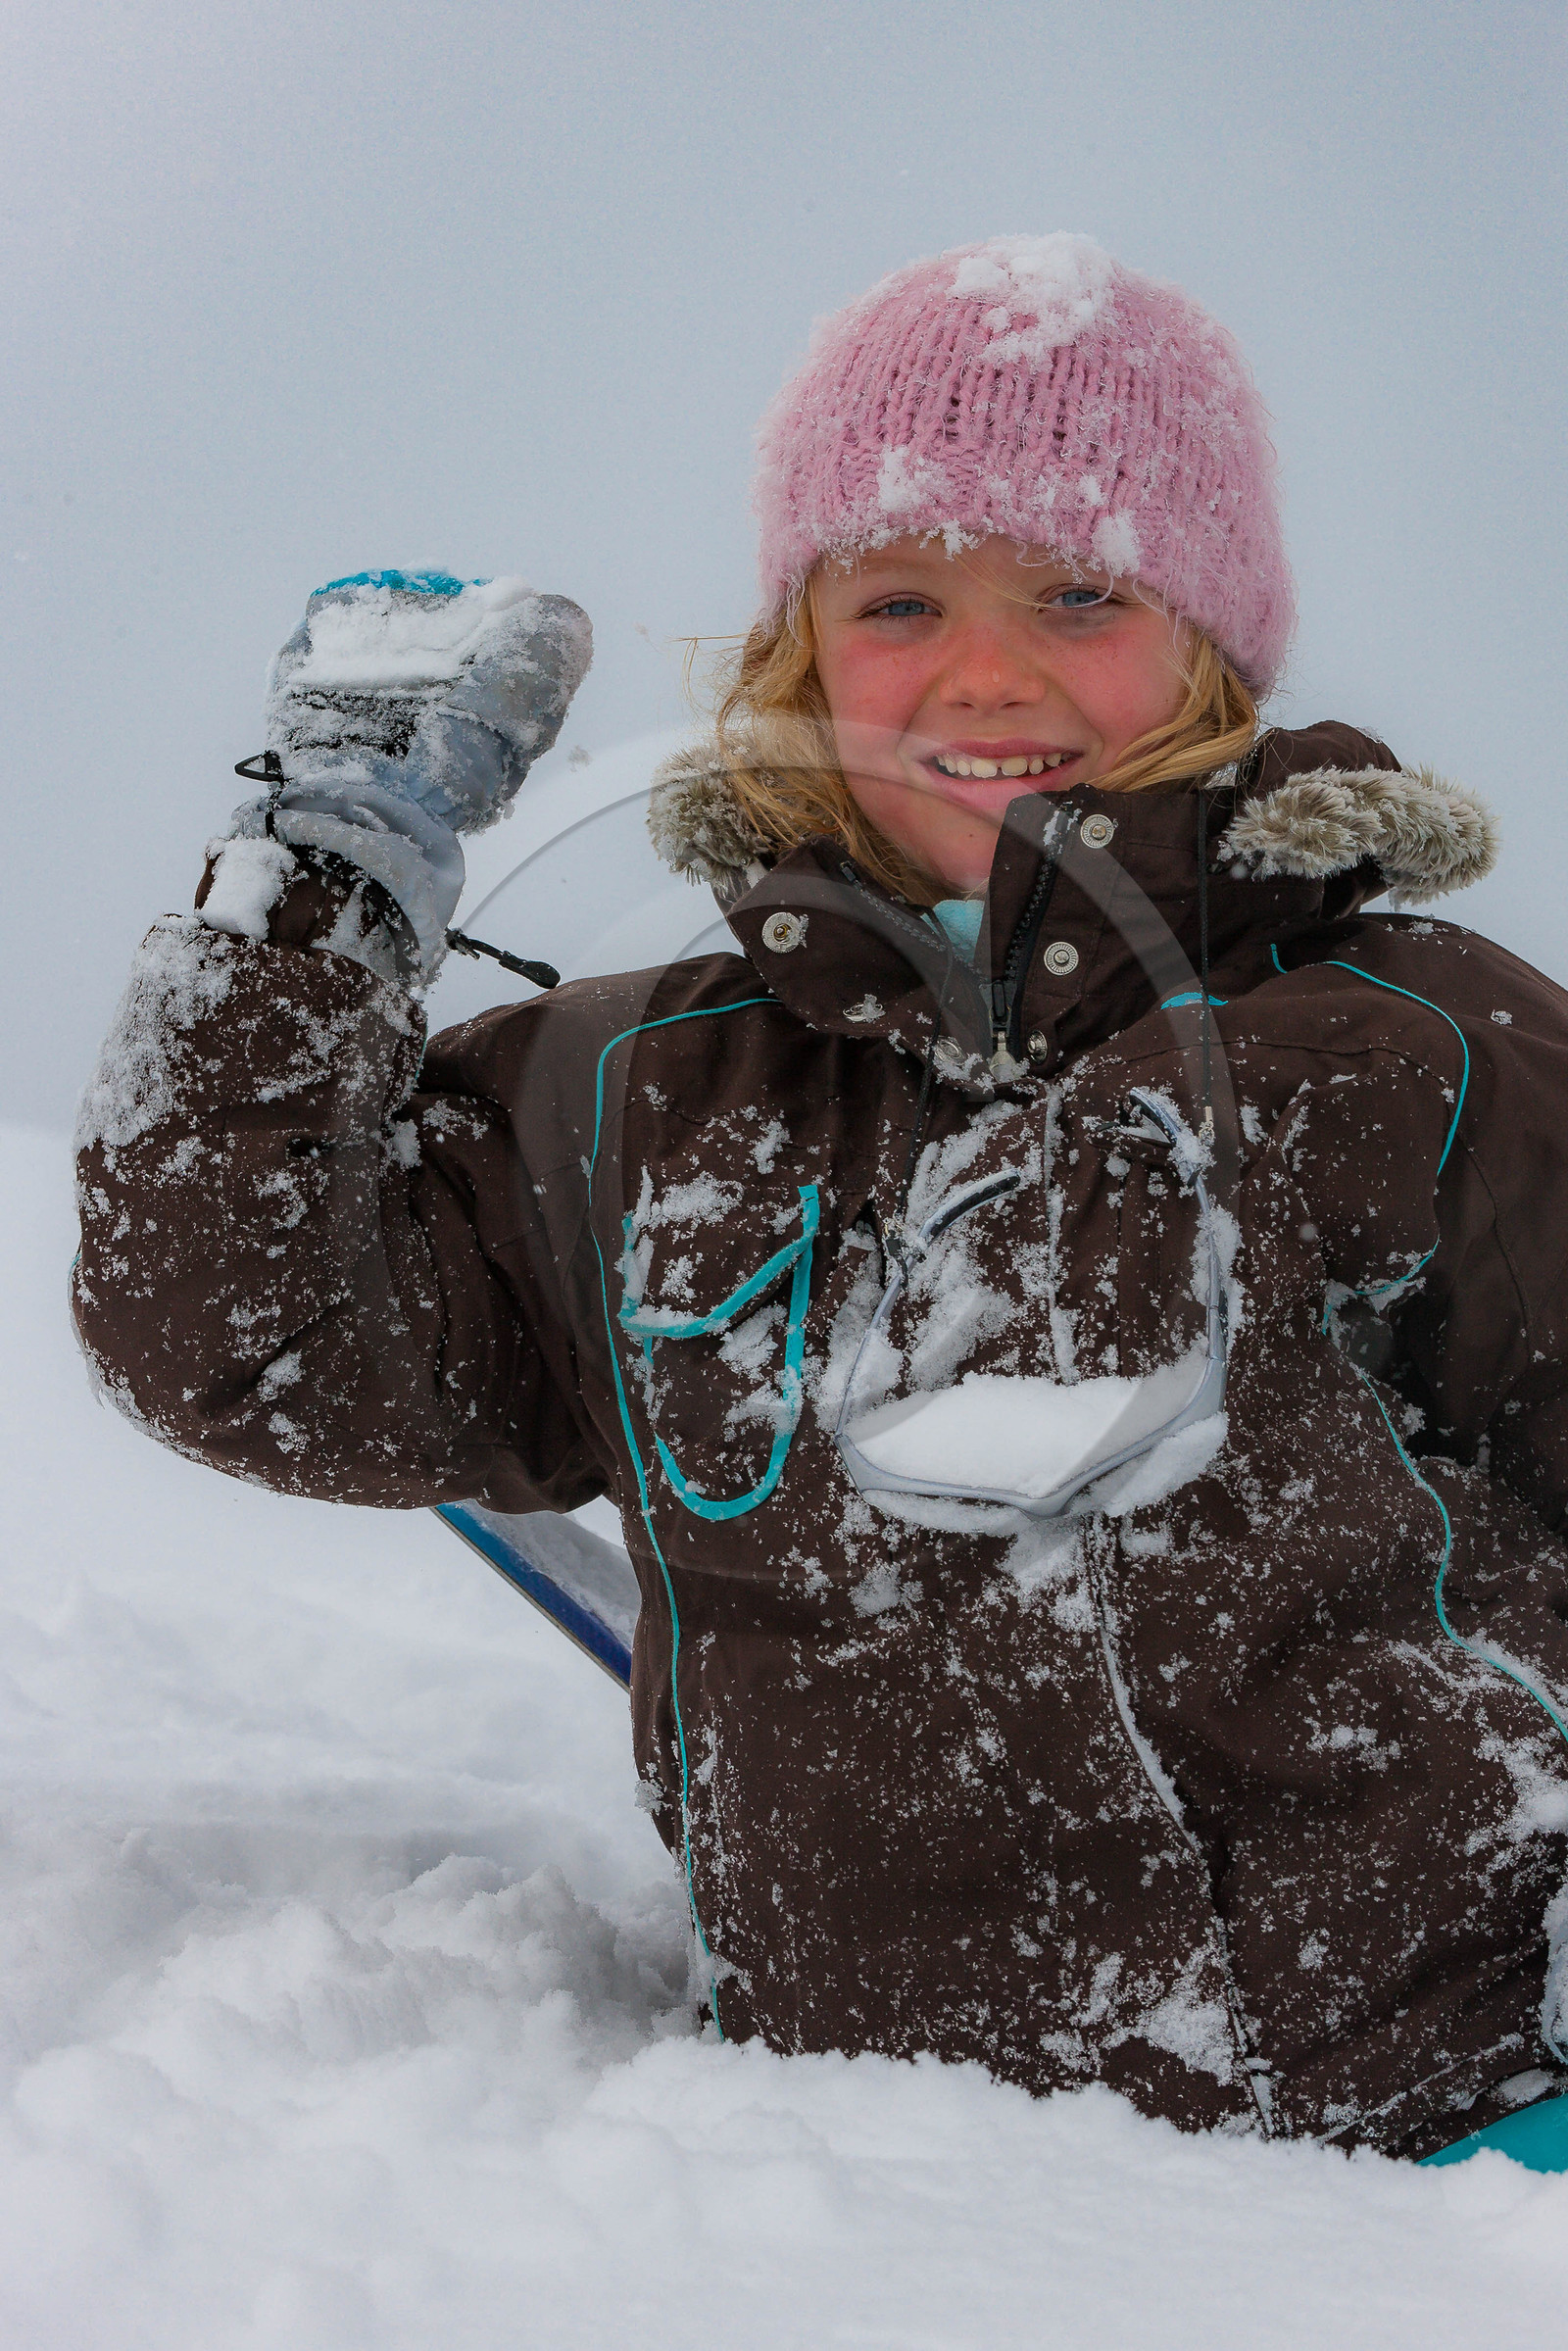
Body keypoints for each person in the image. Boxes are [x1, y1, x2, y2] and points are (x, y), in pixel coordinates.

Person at [74, 236, 1568, 2163]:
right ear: (798, 653)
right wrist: (318, 874)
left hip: (1448, 2164)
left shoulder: (1408, 1040)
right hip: (865, 2201)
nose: (983, 665)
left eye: (1078, 587)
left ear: (1208, 647)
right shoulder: (622, 1091)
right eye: (896, 596)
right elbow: (235, 1331)